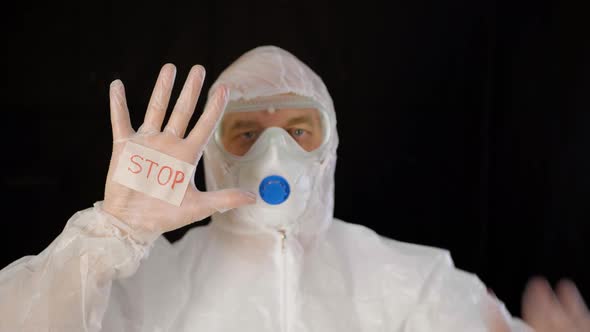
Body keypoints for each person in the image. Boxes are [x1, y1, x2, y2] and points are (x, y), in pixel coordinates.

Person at [0, 46, 588, 332]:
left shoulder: (410, 284)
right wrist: (110, 233)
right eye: (247, 131)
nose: (273, 153)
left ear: (327, 147)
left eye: (298, 130)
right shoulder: (143, 290)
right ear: (211, 150)